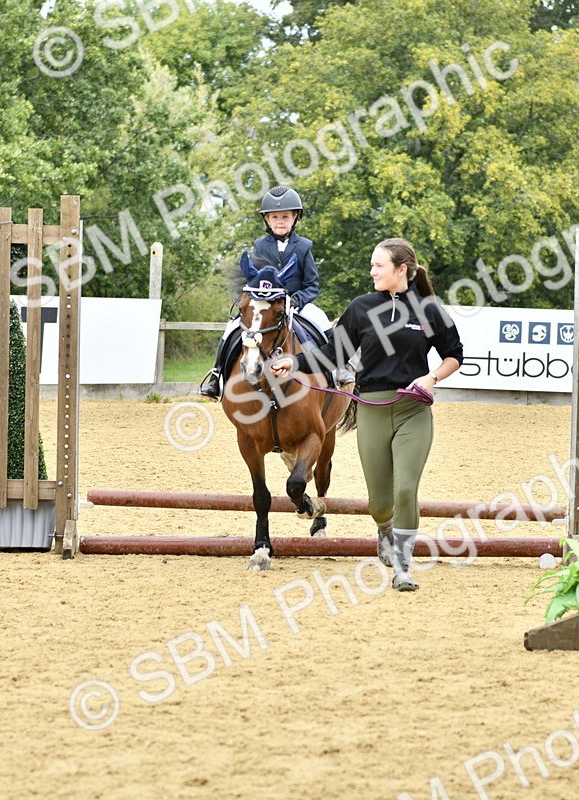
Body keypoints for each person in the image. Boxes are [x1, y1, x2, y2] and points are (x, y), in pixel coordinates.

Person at [271, 238, 464, 592]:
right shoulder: (361, 308)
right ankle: (384, 528)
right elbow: (332, 355)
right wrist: (294, 362)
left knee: (406, 488)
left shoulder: (429, 311)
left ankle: (403, 567)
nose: (372, 271)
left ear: (401, 269)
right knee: (380, 503)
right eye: (372, 265)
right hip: (372, 411)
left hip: (413, 411)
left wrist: (432, 377)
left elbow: (455, 354)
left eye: (379, 266)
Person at [199, 186, 343, 399]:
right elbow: (256, 278)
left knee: (321, 320)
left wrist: (297, 300)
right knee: (231, 328)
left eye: (285, 217)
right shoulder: (260, 245)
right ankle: (217, 376)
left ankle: (340, 369)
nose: (280, 221)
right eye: (275, 217)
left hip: (296, 303)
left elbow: (312, 285)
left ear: (295, 218)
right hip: (266, 305)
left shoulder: (303, 246)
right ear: (267, 220)